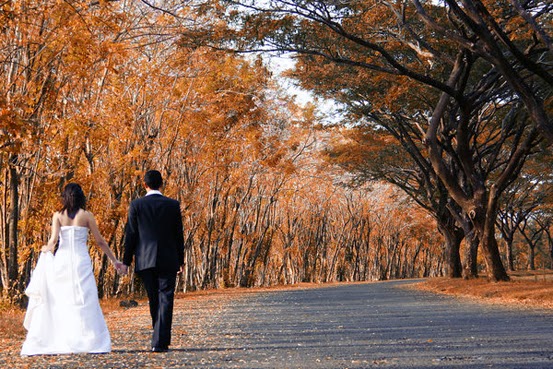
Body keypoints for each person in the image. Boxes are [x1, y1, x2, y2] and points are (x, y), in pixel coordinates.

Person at [21, 183, 125, 356]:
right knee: (85, 298)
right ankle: (88, 339)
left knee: (61, 299)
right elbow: (100, 241)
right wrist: (114, 260)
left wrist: (45, 250)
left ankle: (63, 338)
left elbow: (53, 241)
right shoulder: (87, 216)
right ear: (81, 197)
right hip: (80, 261)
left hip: (62, 261)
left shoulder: (58, 216)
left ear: (65, 197)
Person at [120, 170, 184, 353]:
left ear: (145, 185)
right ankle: (160, 341)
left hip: (145, 259)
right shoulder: (172, 205)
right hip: (168, 259)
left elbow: (131, 235)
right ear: (161, 184)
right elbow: (178, 234)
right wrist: (181, 259)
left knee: (154, 299)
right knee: (166, 298)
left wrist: (126, 261)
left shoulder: (137, 205)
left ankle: (158, 338)